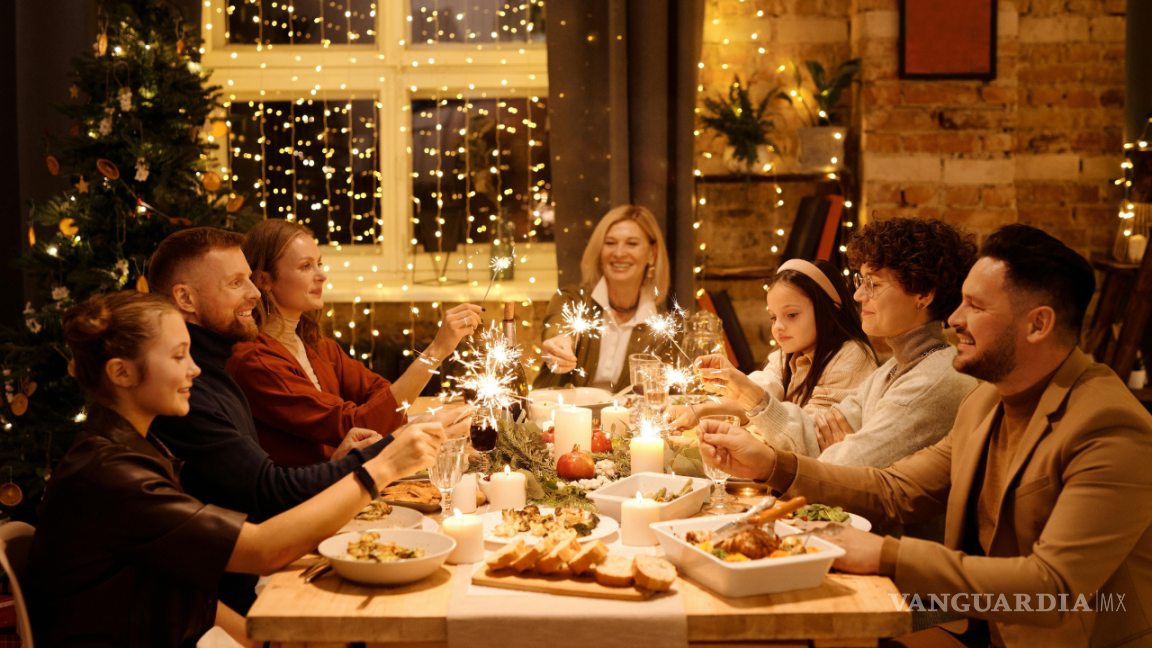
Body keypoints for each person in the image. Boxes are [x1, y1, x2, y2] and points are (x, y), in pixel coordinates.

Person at [698, 224, 1152, 648]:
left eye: (976, 306)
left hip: (1041, 636)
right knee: (780, 619)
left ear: (1038, 324)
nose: (953, 318)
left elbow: (1052, 590)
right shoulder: (986, 403)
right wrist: (769, 463)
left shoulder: (1109, 426)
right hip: (965, 618)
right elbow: (896, 489)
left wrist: (885, 554)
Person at [28, 291, 450, 648]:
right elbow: (263, 551)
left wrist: (261, 639)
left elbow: (186, 594)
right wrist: (382, 466)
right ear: (121, 372)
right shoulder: (109, 472)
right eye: (178, 356)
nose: (194, 369)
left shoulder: (137, 446)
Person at [144, 227, 466, 614]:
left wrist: (355, 456)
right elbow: (269, 496)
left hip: (298, 533)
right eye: (236, 282)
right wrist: (389, 455)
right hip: (269, 567)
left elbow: (383, 400)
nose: (252, 293)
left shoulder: (309, 349)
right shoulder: (235, 367)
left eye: (248, 278)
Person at [697, 218, 979, 468]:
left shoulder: (931, 379)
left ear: (924, 293)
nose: (857, 295)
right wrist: (748, 394)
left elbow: (842, 470)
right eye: (860, 281)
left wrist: (838, 451)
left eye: (874, 284)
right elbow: (813, 435)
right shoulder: (895, 368)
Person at [226, 218, 483, 466]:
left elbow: (380, 394)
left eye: (319, 263)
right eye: (306, 266)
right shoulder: (256, 362)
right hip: (311, 495)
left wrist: (404, 418)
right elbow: (356, 422)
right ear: (264, 280)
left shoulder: (314, 343)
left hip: (347, 474)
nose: (321, 275)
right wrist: (437, 350)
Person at [665, 258, 877, 430]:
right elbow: (759, 394)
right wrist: (699, 410)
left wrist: (744, 389)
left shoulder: (851, 356)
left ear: (831, 312)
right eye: (774, 317)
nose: (778, 327)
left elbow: (811, 431)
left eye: (791, 314)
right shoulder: (787, 355)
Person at [533, 204, 674, 393]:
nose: (619, 253)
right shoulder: (572, 299)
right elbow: (559, 325)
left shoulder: (663, 330)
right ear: (600, 252)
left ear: (652, 253)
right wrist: (559, 343)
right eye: (610, 243)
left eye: (632, 243)